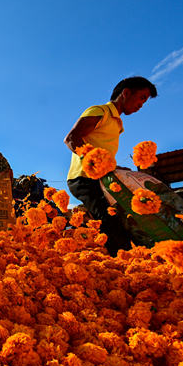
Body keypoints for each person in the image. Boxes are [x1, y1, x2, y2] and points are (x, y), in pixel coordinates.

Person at [64, 76, 158, 255]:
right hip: (84, 179)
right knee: (110, 222)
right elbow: (71, 139)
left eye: (144, 102)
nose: (141, 105)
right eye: (141, 98)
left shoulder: (117, 123)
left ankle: (131, 257)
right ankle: (121, 262)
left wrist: (115, 168)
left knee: (124, 221)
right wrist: (94, 161)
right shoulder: (101, 111)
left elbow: (102, 152)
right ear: (126, 93)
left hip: (102, 179)